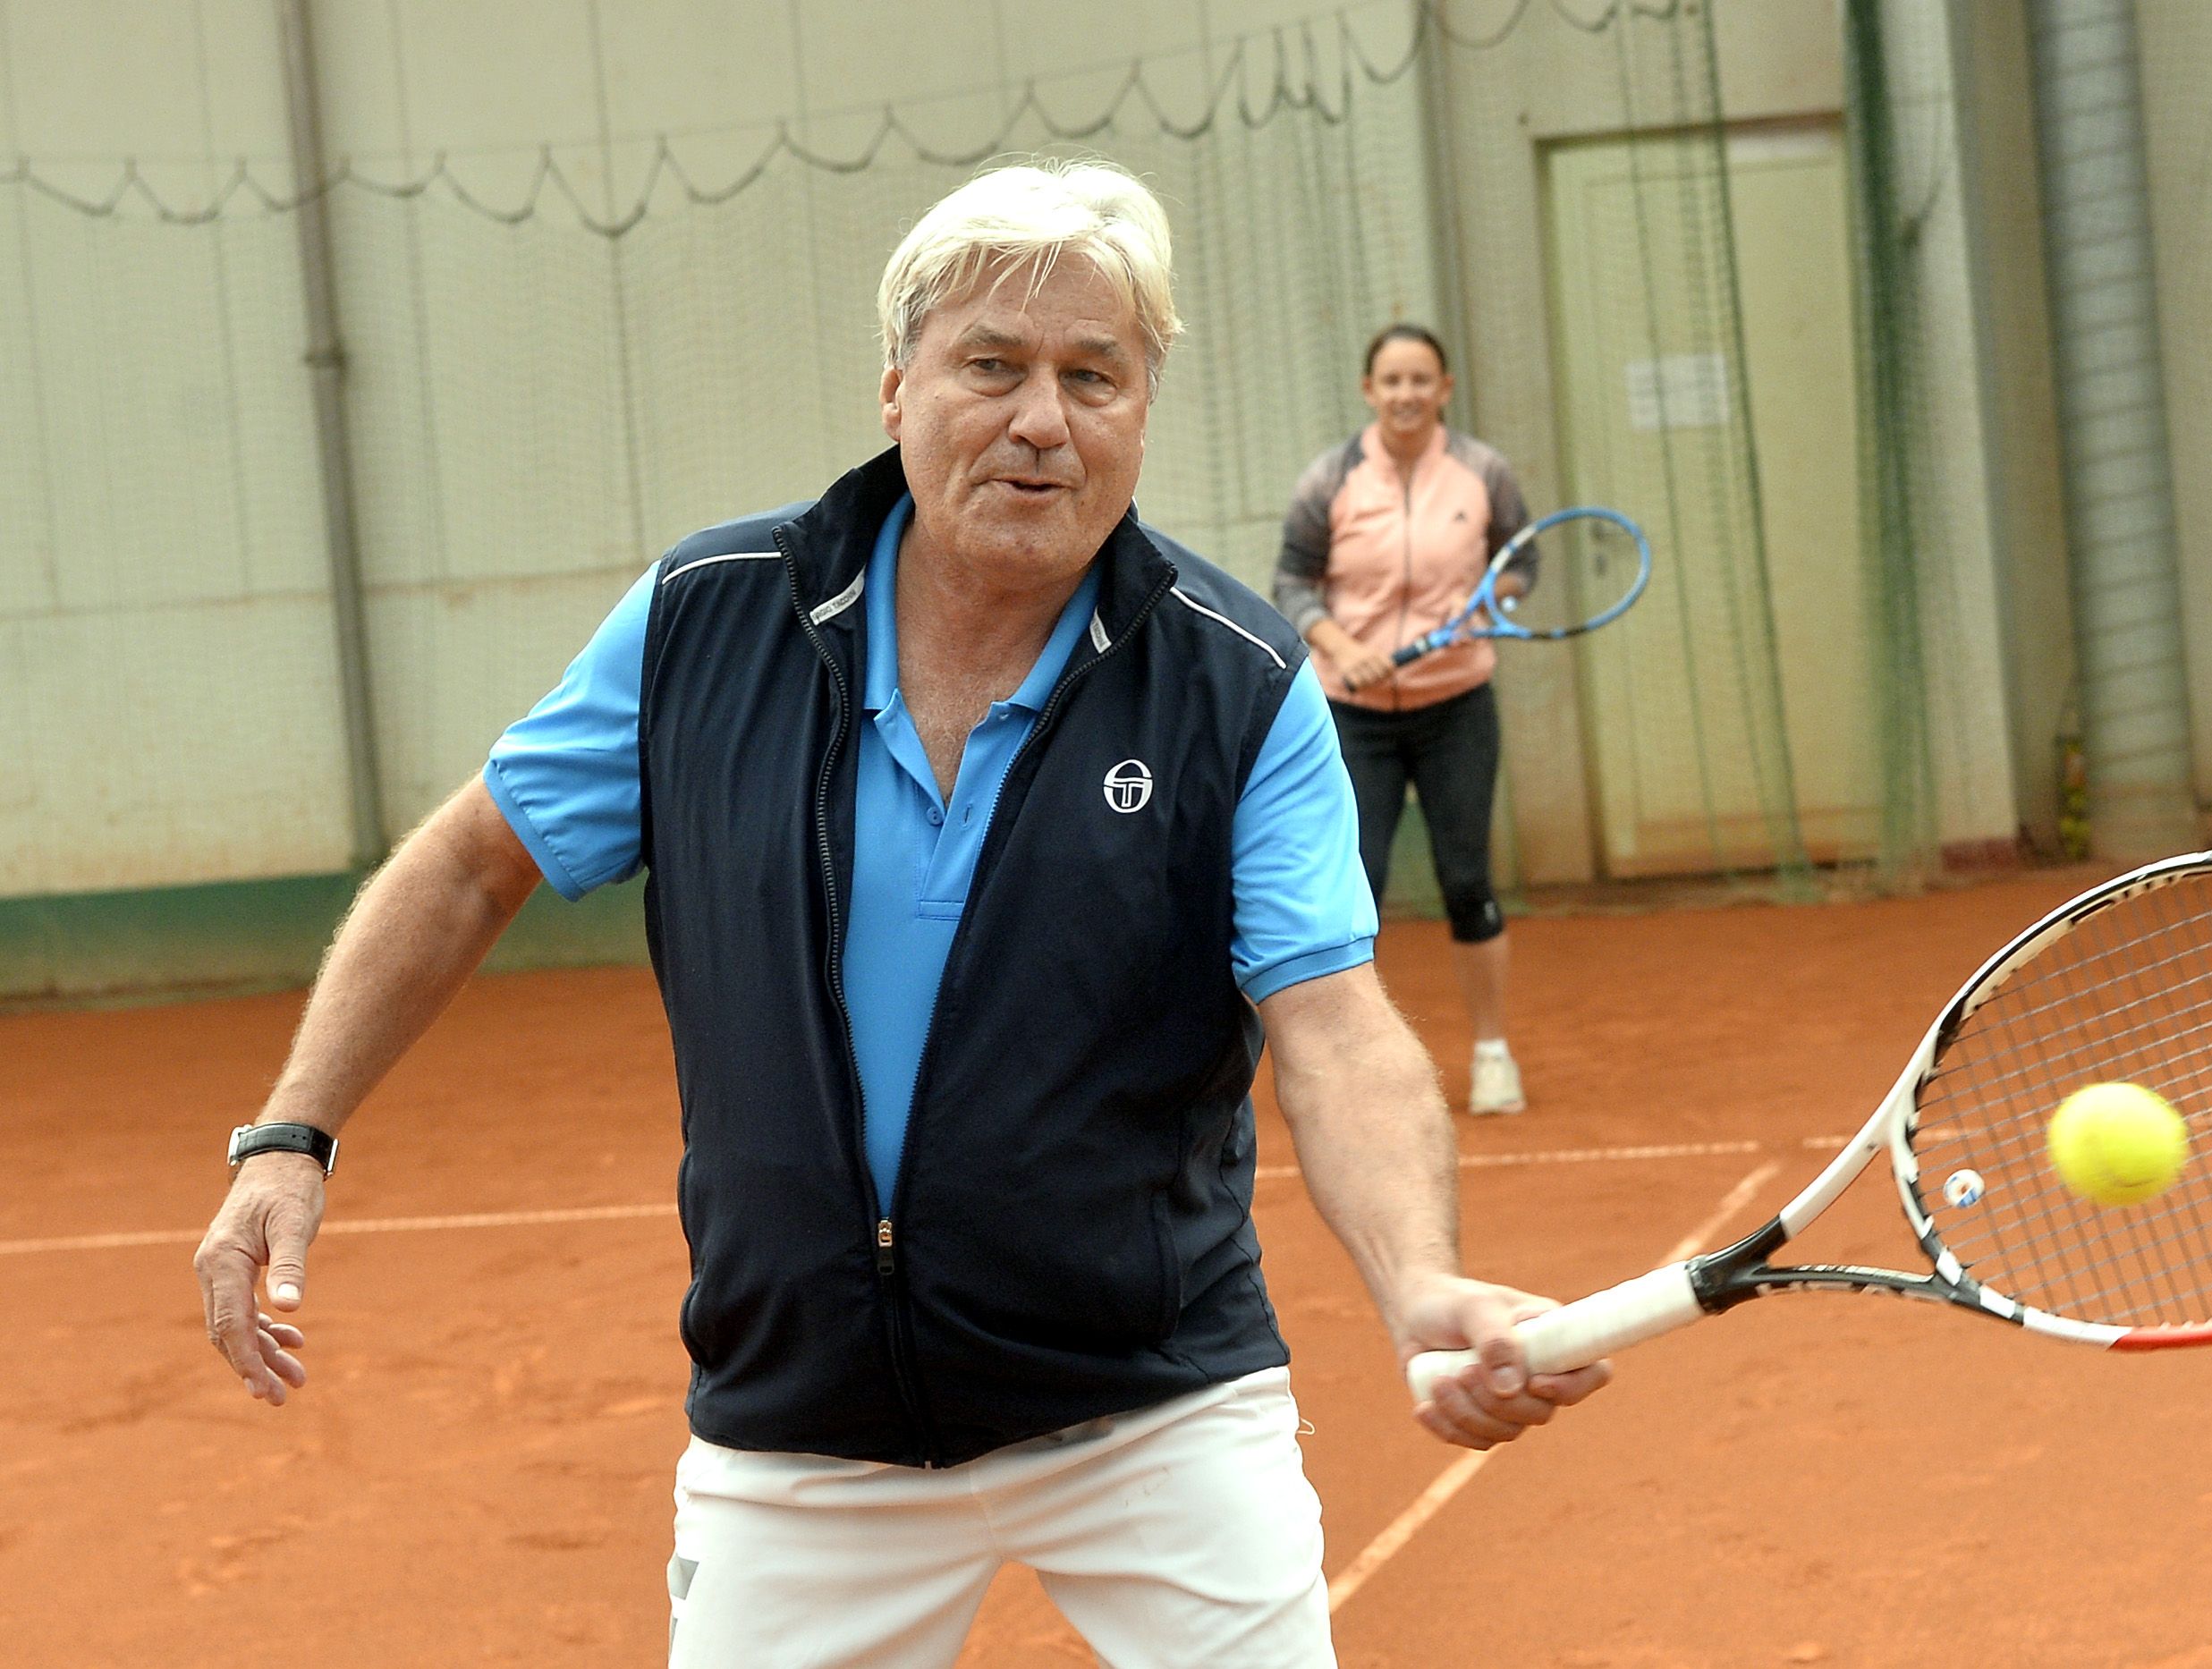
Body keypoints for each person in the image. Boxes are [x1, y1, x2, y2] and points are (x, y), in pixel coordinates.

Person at [191, 161, 1606, 1669]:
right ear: (896, 388)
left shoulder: (1239, 687)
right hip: (806, 1429)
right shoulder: (705, 620)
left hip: (1148, 1403)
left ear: (1143, 409)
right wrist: (292, 1129)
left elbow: (1333, 1029)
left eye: (1093, 375)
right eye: (991, 365)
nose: (1042, 418)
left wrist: (1414, 1283)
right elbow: (474, 863)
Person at [1273, 325, 1535, 1115]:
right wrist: (1340, 646)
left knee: (1467, 881)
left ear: (1444, 388)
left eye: (1421, 379)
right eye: (1392, 380)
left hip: (1457, 707)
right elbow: (1292, 581)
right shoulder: (1331, 479)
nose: (1406, 394)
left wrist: (1495, 602)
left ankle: (1493, 1053)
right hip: (1354, 717)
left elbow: (1521, 562)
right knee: (1357, 891)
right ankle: (1360, 1067)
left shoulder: (1484, 473)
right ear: (1369, 390)